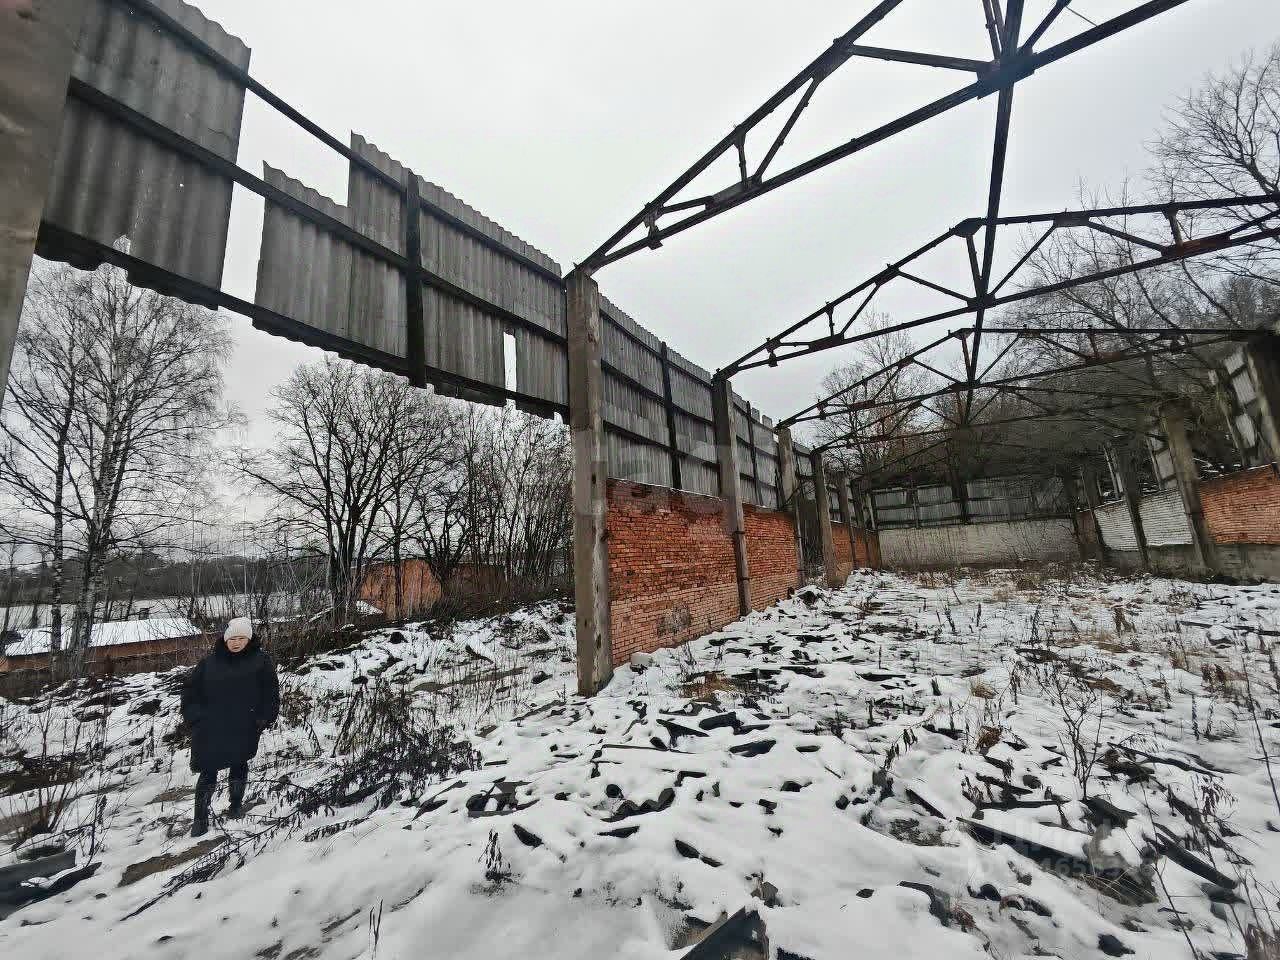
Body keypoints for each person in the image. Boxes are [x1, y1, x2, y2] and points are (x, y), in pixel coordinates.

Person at [180, 617, 279, 837]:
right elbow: (190, 691)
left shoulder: (260, 661)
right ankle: (200, 819)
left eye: (241, 638)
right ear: (225, 640)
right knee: (208, 769)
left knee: (239, 763)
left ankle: (235, 805)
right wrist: (195, 717)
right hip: (211, 727)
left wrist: (262, 719)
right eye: (232, 638)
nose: (236, 642)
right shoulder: (209, 663)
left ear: (249, 639)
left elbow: (271, 692)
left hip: (243, 724)